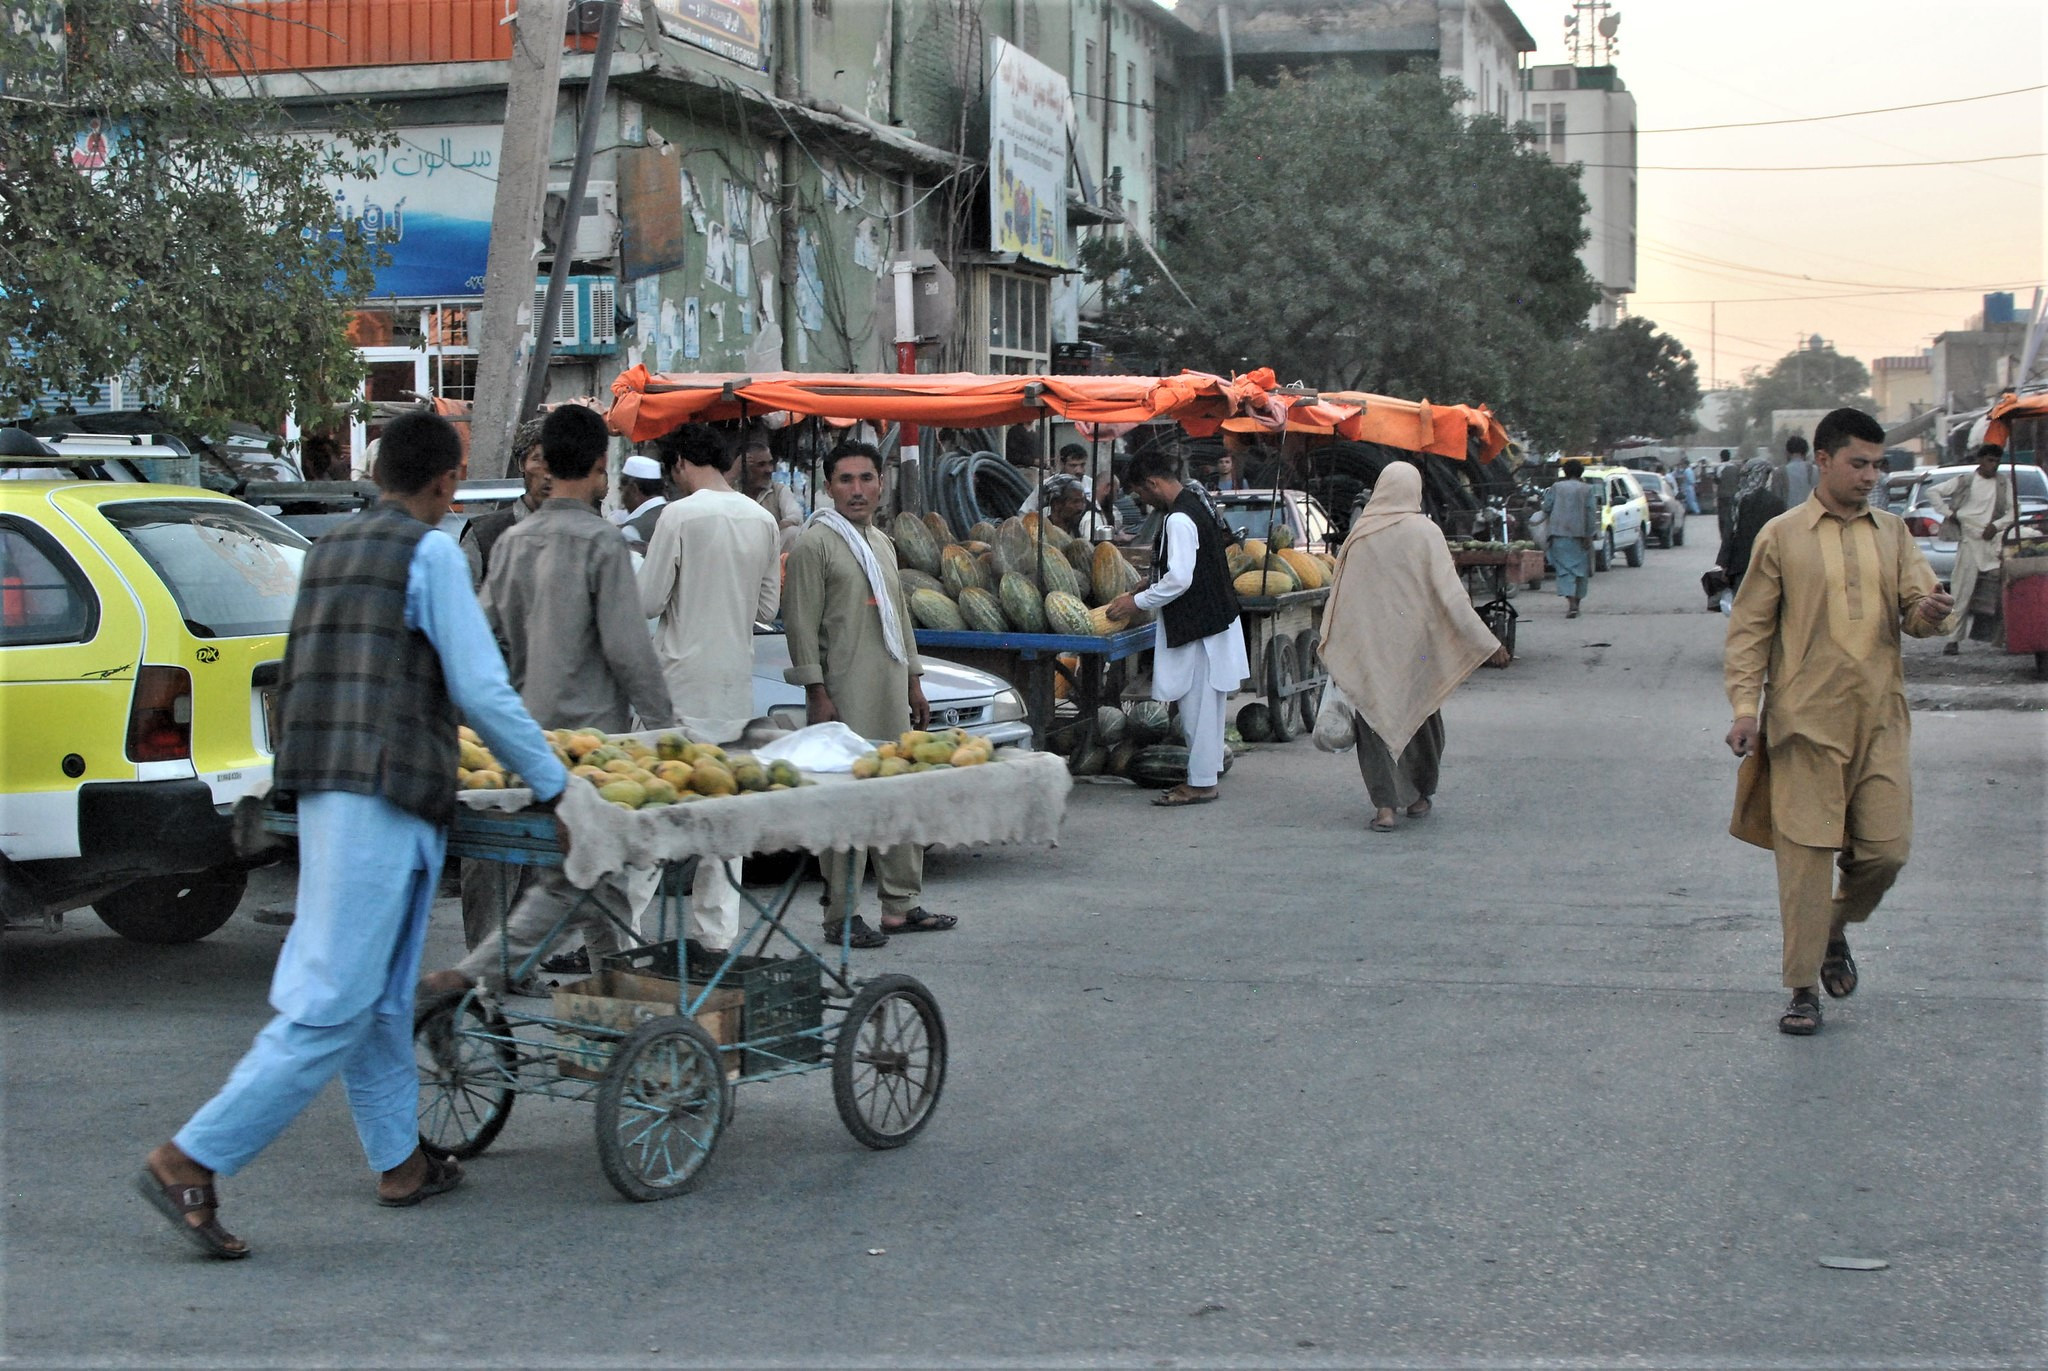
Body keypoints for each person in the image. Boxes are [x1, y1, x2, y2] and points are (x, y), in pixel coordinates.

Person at [136, 412, 567, 1259]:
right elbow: (480, 687)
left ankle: (399, 1160)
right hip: (381, 792)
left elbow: (302, 673)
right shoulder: (431, 552)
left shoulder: (328, 549)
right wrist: (555, 784)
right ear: (445, 485)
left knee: (378, 995)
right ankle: (190, 1156)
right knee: (332, 1001)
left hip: (335, 788)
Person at [423, 405, 676, 995]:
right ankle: (482, 978)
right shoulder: (601, 544)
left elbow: (478, 633)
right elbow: (629, 654)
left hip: (524, 747)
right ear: (598, 468)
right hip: (593, 755)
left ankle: (610, 1000)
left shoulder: (514, 543)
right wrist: (670, 735)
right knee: (587, 881)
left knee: (587, 882)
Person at [1723, 407, 1953, 1037]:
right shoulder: (1782, 535)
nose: (1871, 475)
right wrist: (1746, 707)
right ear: (1823, 461)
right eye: (1860, 463)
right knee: (1805, 861)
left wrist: (1931, 610)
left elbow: (1917, 612)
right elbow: (1749, 631)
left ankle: (1831, 927)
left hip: (1880, 719)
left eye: (1878, 464)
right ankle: (1802, 988)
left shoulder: (1893, 533)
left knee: (1886, 853)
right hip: (1804, 725)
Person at [782, 441, 954, 946]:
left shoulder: (880, 542)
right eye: (845, 480)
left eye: (866, 479)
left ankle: (901, 905)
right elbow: (800, 623)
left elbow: (898, 617)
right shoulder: (816, 543)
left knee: (898, 793)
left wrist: (914, 680)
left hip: (889, 691)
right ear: (829, 486)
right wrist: (817, 690)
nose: (857, 490)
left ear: (881, 483)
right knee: (848, 802)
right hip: (844, 694)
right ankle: (841, 915)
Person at [638, 422, 782, 958]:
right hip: (732, 689)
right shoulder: (762, 518)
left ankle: (622, 932)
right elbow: (767, 610)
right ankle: (717, 936)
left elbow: (649, 601)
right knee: (723, 815)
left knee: (653, 810)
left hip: (678, 684)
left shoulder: (678, 514)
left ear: (677, 465)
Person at [1320, 463, 1508, 831]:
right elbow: (1452, 597)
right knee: (1422, 716)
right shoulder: (1426, 532)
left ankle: (1385, 808)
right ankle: (1420, 796)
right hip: (1417, 650)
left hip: (1370, 647)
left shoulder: (1360, 534)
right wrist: (1487, 641)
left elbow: (1340, 596)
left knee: (1374, 722)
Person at [1105, 450, 1248, 807]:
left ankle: (1200, 784)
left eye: (1141, 493)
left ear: (1153, 483)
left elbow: (1181, 579)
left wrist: (1135, 603)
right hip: (1212, 622)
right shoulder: (1195, 504)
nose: (1142, 501)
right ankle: (1207, 772)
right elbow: (1185, 568)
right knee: (1207, 709)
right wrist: (1149, 584)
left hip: (1198, 626)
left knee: (1196, 710)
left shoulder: (1179, 519)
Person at [1925, 444, 2013, 655]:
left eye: (1997, 461)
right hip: (1969, 542)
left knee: (2004, 591)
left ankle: (2007, 638)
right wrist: (1949, 513)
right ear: (1981, 460)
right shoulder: (1966, 481)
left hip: (1992, 541)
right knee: (1962, 591)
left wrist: (1996, 526)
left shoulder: (2003, 483)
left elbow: (2012, 512)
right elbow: (1933, 491)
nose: (1994, 465)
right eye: (1990, 460)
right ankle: (1953, 639)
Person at [461, 419, 549, 588]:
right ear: (522, 464)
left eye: (558, 462)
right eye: (538, 460)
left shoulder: (581, 533)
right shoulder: (484, 535)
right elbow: (462, 604)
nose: (548, 473)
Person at [1712, 457, 1786, 611]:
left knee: (1742, 609)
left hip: (1741, 564)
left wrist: (1724, 564)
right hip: (1768, 563)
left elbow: (1730, 534)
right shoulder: (1776, 502)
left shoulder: (1739, 500)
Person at [1541, 459, 1599, 619]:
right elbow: (1591, 513)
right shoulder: (1587, 489)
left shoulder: (1556, 487)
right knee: (1580, 571)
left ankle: (1571, 603)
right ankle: (1577, 604)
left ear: (1565, 472)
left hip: (1558, 534)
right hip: (1580, 535)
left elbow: (1546, 507)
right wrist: (1589, 534)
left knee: (1564, 570)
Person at [740, 434, 807, 554]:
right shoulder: (732, 491)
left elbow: (795, 516)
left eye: (770, 463)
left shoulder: (779, 490)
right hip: (739, 550)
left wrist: (773, 530)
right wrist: (735, 471)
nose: (769, 470)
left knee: (793, 533)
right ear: (745, 468)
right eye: (761, 465)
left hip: (770, 551)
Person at [1039, 473, 1115, 543]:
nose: (1081, 507)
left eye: (1083, 501)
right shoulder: (1042, 533)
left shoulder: (1075, 531)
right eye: (1075, 502)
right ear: (1056, 504)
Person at [617, 452, 669, 550]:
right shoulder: (678, 513)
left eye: (621, 490)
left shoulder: (632, 530)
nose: (622, 498)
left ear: (633, 489)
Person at [1776, 434, 1817, 507]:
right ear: (1805, 452)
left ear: (1787, 452)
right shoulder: (1816, 470)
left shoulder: (1780, 472)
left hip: (1788, 515)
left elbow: (1776, 499)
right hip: (1811, 514)